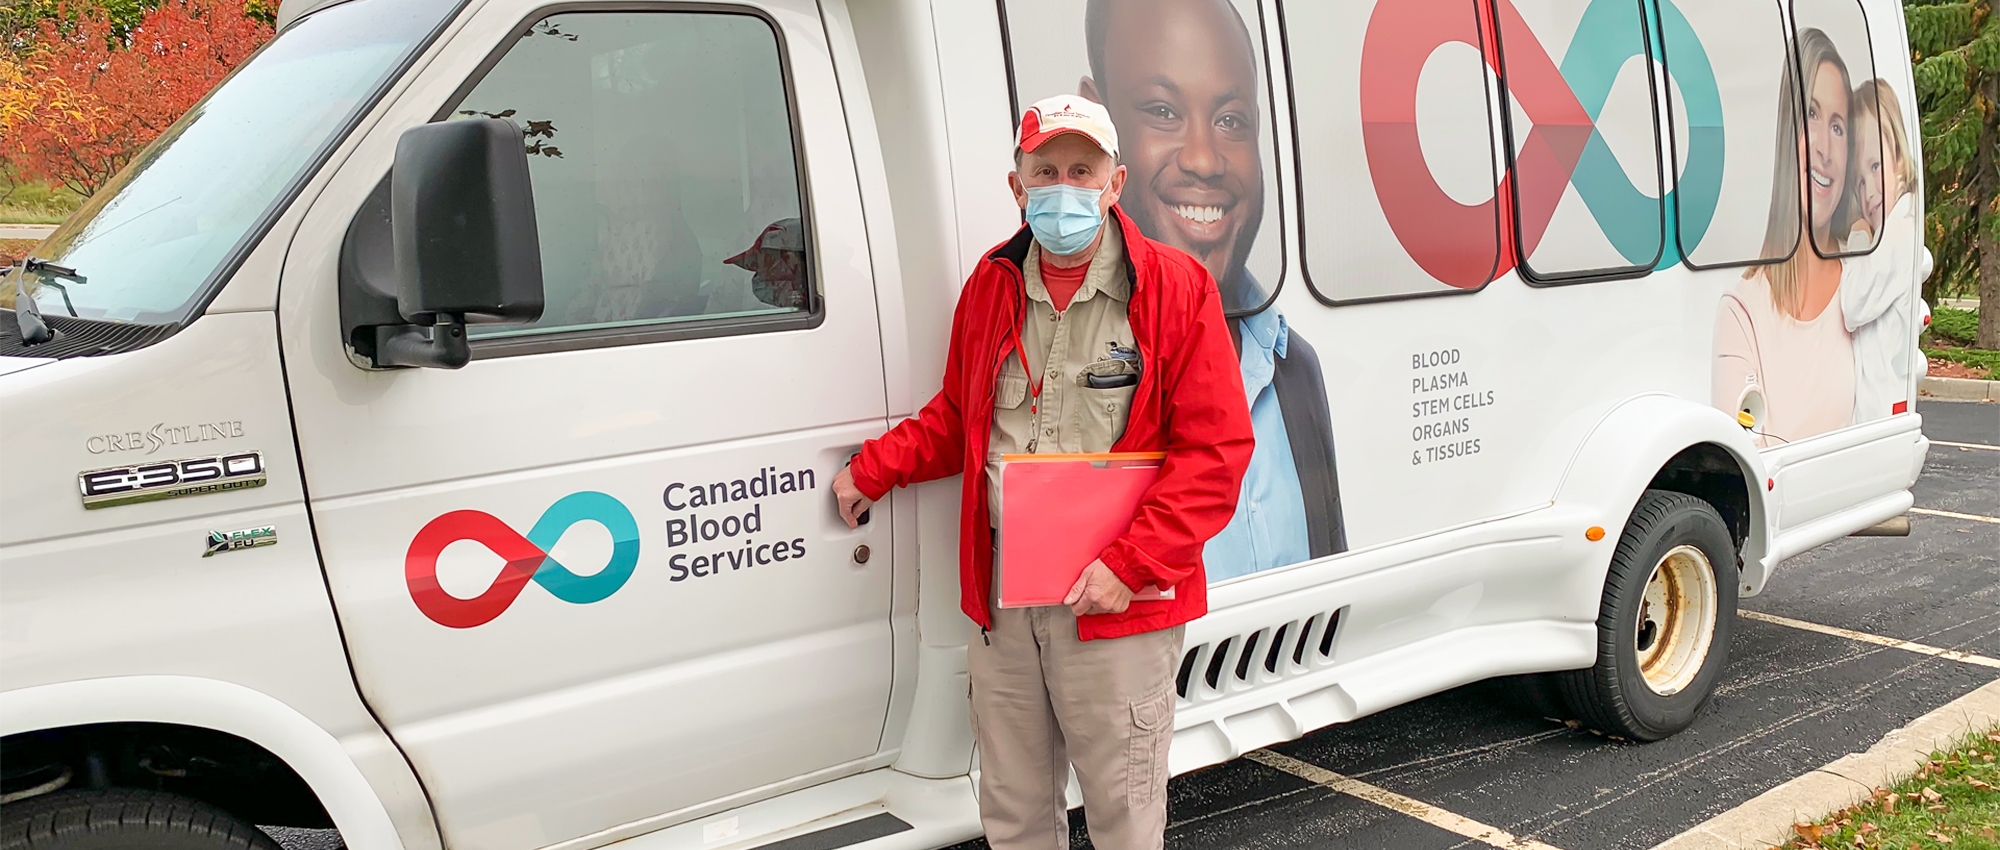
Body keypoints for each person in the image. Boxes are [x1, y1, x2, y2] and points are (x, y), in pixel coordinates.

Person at [831, 95, 1253, 850]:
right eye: (1047, 171)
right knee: (1014, 812)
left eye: (1082, 170)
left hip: (1118, 602)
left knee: (1124, 818)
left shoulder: (1176, 290)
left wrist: (1130, 566)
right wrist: (874, 469)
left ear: (1116, 182)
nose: (1066, 188)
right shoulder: (991, 285)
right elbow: (962, 415)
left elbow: (1216, 454)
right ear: (1017, 186)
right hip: (1007, 597)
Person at [1080, 0, 1346, 580]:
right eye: (1161, 111)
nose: (1204, 159)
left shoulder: (1293, 367)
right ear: (1098, 125)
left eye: (1230, 120)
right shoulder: (1077, 361)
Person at [1713, 29, 1857, 446]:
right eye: (1811, 115)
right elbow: (1742, 468)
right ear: (1785, 133)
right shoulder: (1743, 312)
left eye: (1838, 125)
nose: (1825, 149)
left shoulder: (1864, 295)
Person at [1839, 80, 1922, 423]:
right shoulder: (1894, 230)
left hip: (1879, 418)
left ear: (1900, 158)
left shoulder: (1900, 229)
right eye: (1858, 180)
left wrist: (1859, 233)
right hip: (1877, 414)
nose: (1868, 190)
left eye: (1874, 167)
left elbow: (1853, 304)